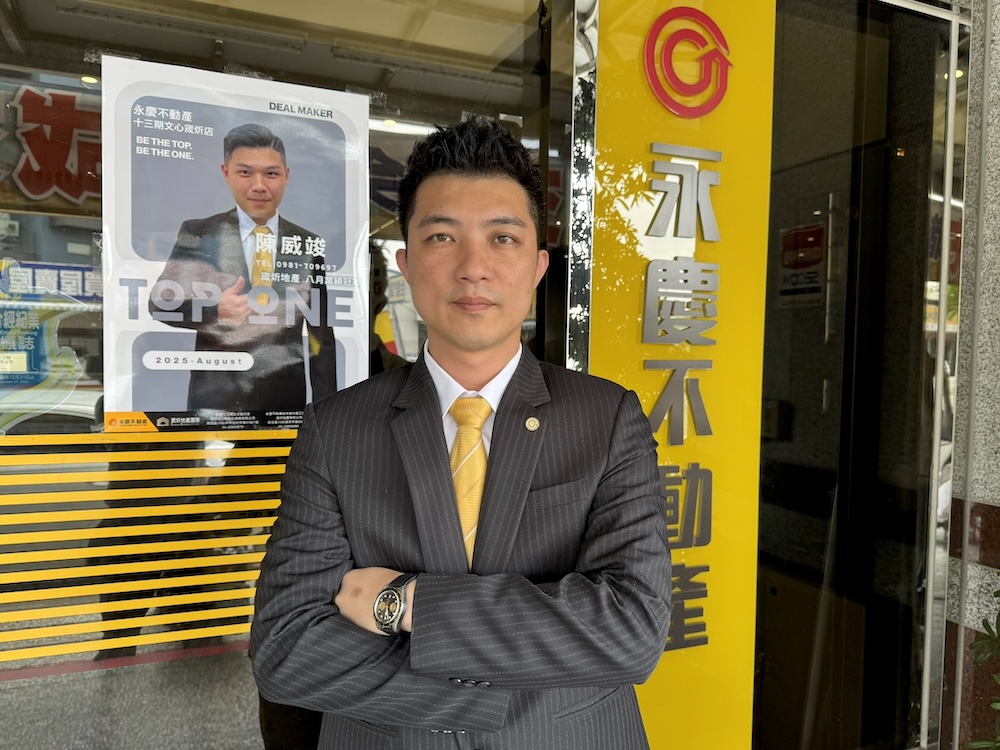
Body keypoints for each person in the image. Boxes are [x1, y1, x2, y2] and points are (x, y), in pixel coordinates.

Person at [251, 116, 671, 749]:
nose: (474, 267)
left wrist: (405, 603)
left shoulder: (607, 418)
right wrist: (500, 690)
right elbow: (287, 648)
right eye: (442, 236)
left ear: (538, 266)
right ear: (406, 263)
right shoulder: (336, 430)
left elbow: (632, 630)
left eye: (503, 238)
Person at [151, 123, 337, 419]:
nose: (259, 185)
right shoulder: (200, 233)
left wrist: (328, 412)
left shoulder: (307, 244)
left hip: (285, 400)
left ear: (286, 176)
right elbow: (160, 305)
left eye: (271, 173)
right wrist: (215, 311)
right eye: (245, 172)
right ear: (226, 173)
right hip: (217, 399)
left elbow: (321, 336)